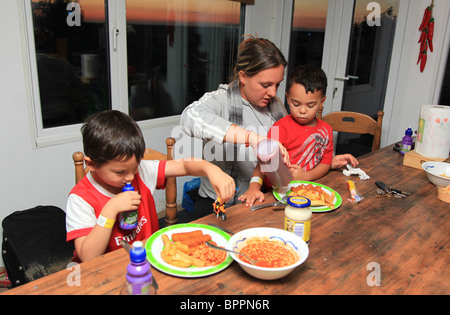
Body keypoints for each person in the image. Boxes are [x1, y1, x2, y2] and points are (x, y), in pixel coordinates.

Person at [181, 36, 357, 218]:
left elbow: (291, 147)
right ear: (243, 77)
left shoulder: (274, 104)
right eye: (266, 85)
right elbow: (190, 117)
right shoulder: (221, 100)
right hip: (222, 202)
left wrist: (323, 162)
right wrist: (254, 138)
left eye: (277, 85)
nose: (273, 93)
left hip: (263, 197)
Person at [66, 110, 235, 262]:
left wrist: (211, 169)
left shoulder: (141, 171)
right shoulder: (80, 198)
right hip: (106, 269)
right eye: (120, 172)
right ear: (92, 164)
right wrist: (110, 210)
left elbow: (183, 166)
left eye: (135, 167)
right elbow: (88, 257)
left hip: (148, 259)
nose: (131, 176)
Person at [240, 65, 357, 206]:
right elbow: (264, 163)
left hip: (305, 191)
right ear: (288, 98)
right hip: (273, 193)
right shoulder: (279, 128)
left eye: (311, 105)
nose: (302, 111)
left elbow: (325, 164)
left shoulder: (326, 131)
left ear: (322, 102)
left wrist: (306, 176)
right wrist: (254, 187)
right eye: (296, 104)